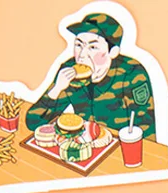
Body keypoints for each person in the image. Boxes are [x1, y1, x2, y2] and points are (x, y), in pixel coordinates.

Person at [26, 14, 156, 138]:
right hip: (82, 145)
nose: (82, 55)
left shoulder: (132, 74)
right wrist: (56, 89)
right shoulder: (69, 71)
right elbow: (33, 122)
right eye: (79, 45)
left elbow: (147, 134)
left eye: (93, 47)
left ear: (113, 52)